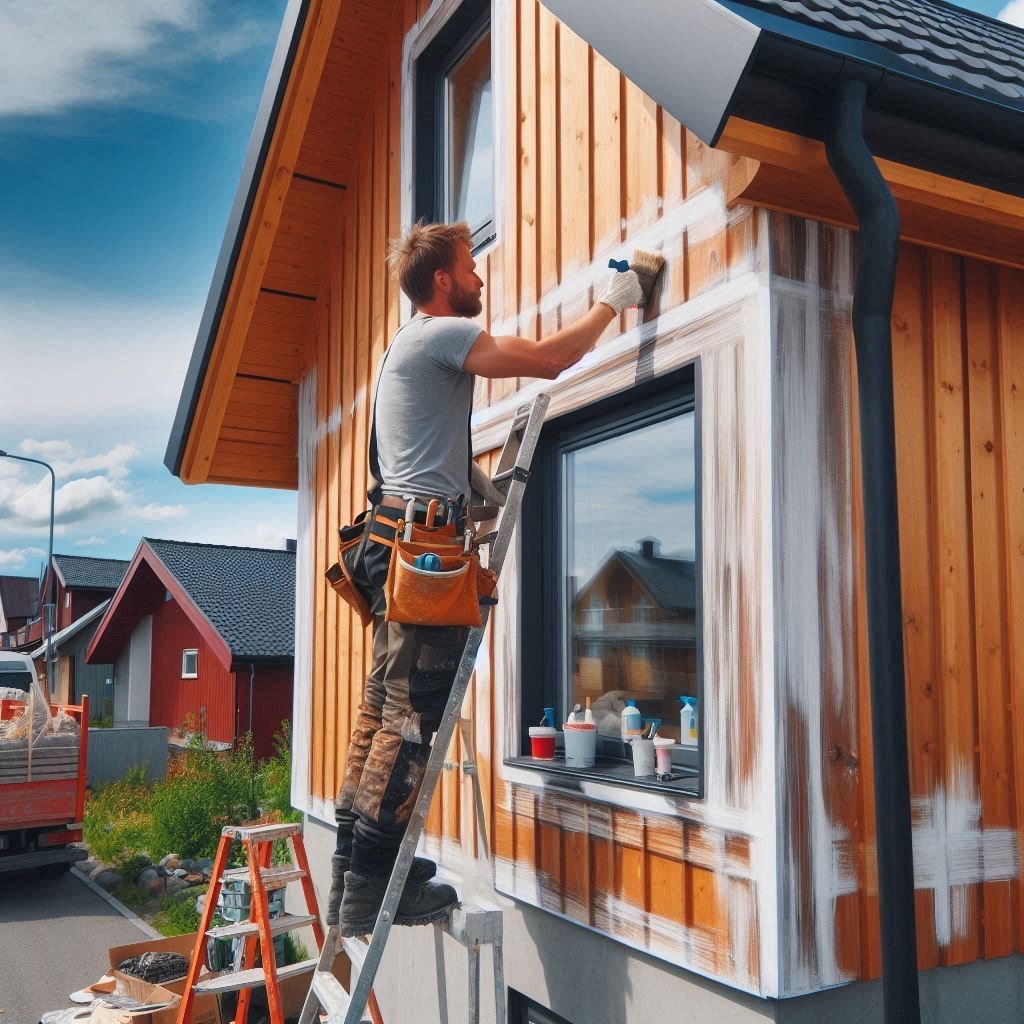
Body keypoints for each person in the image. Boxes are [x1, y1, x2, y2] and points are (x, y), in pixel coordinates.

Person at [329, 221, 643, 936]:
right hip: (421, 555)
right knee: (409, 724)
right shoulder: (441, 336)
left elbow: (417, 449)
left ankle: (353, 877)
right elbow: (551, 359)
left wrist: (473, 486)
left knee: (381, 716)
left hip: (392, 541)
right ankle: (373, 888)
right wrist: (611, 301)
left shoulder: (404, 348)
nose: (480, 279)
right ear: (442, 281)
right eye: (471, 268)